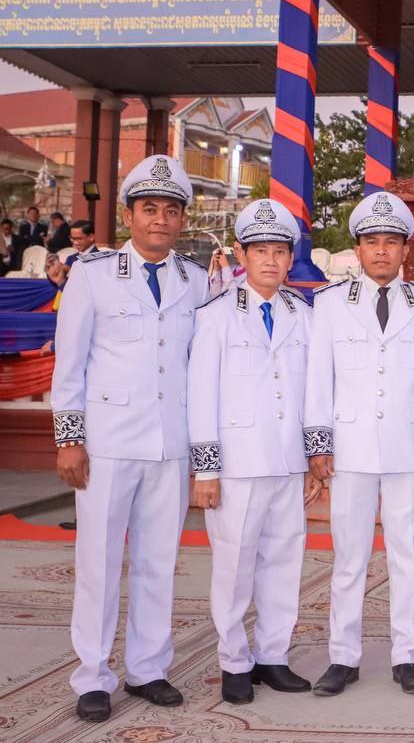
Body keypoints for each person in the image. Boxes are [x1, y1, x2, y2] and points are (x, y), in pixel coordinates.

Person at [50, 154, 207, 723]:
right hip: (108, 443)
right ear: (129, 215)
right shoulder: (92, 275)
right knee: (98, 561)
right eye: (149, 209)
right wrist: (70, 438)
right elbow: (69, 366)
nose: (160, 219)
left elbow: (198, 367)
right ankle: (93, 676)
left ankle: (147, 667)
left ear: (182, 219)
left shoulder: (196, 279)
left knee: (157, 562)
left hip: (170, 443)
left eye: (171, 210)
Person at [186, 198, 319, 705]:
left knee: (284, 563)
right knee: (234, 567)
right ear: (241, 255)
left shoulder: (303, 315)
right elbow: (201, 395)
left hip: (287, 461)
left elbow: (314, 394)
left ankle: (273, 656)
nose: (270, 260)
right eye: (260, 250)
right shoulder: (216, 316)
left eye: (279, 251)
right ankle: (234, 661)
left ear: (290, 258)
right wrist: (206, 469)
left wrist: (314, 459)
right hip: (236, 465)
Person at [304, 191, 414, 698]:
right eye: (372, 242)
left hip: (408, 447)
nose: (382, 251)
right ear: (357, 249)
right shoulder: (329, 304)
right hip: (350, 448)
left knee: (407, 554)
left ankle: (407, 656)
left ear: (406, 249)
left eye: (391, 242)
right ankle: (343, 656)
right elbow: (319, 380)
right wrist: (318, 444)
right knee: (349, 557)